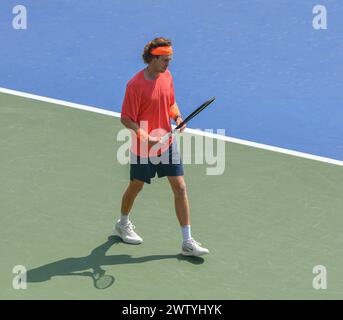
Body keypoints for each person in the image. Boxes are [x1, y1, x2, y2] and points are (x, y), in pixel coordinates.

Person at [113, 37, 209, 257]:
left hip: (167, 143)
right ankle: (122, 224)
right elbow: (126, 119)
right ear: (153, 59)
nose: (168, 64)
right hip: (144, 148)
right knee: (136, 186)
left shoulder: (167, 76)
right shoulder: (135, 85)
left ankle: (187, 241)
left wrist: (177, 117)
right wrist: (146, 136)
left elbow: (170, 102)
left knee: (180, 187)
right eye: (165, 60)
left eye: (170, 60)